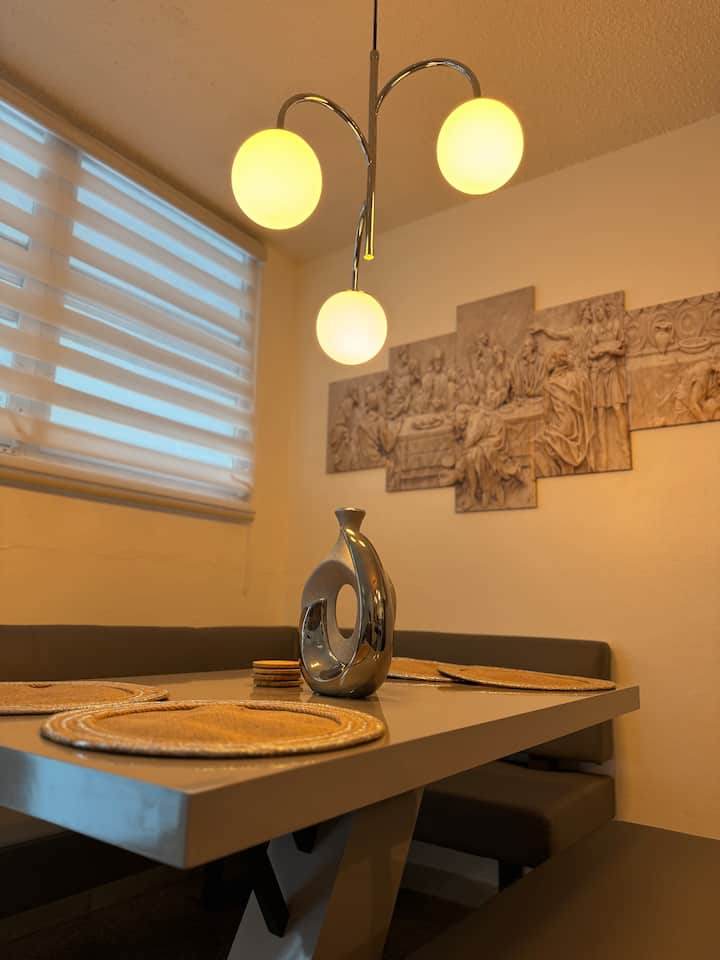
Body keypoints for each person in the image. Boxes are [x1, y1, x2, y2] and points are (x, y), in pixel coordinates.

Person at [534, 349, 594, 477]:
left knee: (538, 441)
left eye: (551, 359)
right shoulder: (577, 377)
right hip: (580, 429)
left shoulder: (550, 384)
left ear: (555, 362)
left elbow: (546, 414)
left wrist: (547, 425)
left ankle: (553, 477)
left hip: (562, 429)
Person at [587, 300, 630, 470]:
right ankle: (603, 452)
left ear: (604, 310)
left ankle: (625, 448)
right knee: (600, 413)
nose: (597, 313)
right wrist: (597, 354)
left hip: (612, 371)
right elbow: (590, 353)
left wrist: (611, 351)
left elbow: (623, 349)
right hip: (599, 374)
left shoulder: (615, 325)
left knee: (618, 408)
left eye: (599, 310)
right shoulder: (594, 330)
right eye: (595, 311)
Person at [672, 350, 720, 422]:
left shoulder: (715, 381)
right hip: (685, 410)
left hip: (698, 406)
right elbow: (693, 405)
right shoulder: (703, 373)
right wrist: (706, 422)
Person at [511, 333, 545, 399]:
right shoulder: (521, 363)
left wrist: (534, 391)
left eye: (526, 346)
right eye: (524, 346)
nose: (524, 348)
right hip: (523, 398)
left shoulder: (541, 361)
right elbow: (516, 382)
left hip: (537, 398)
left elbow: (544, 383)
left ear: (532, 347)